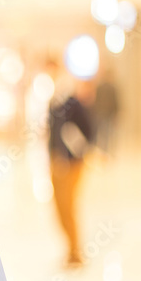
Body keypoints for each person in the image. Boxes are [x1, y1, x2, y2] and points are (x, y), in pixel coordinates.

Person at [46, 58, 95, 268]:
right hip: (56, 163)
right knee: (59, 207)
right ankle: (70, 248)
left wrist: (75, 152)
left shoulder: (73, 104)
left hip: (72, 163)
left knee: (68, 205)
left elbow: (89, 132)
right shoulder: (53, 102)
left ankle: (75, 251)